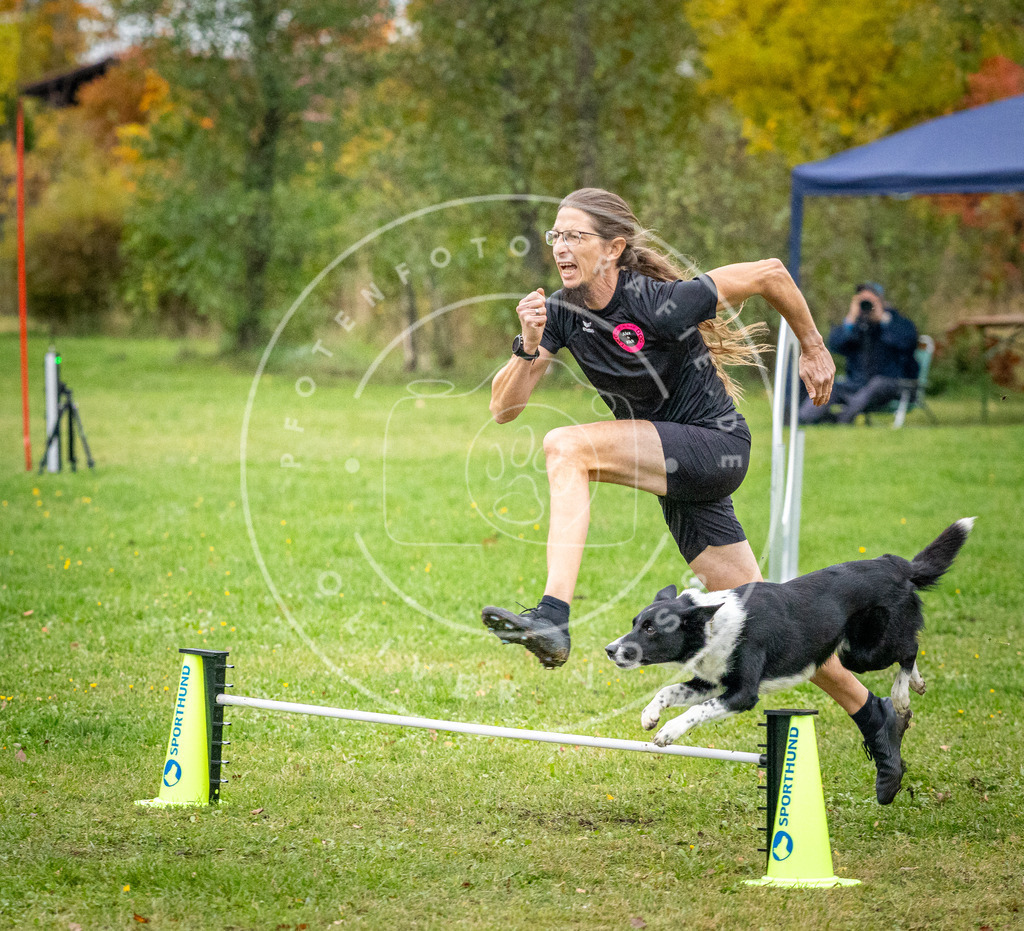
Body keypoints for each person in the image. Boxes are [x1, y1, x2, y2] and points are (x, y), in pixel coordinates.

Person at [480, 188, 910, 804]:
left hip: (717, 447)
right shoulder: (562, 311)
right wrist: (528, 341)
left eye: (575, 235)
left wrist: (815, 348)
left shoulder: (658, 301)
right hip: (680, 472)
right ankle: (876, 718)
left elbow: (770, 273)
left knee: (566, 446)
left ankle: (553, 615)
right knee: (769, 619)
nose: (561, 247)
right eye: (555, 235)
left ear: (614, 249)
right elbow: (503, 407)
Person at [798, 282, 919, 425]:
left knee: (876, 384)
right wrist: (851, 317)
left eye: (871, 300)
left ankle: (842, 419)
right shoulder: (858, 325)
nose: (867, 305)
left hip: (893, 384)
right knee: (833, 387)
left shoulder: (898, 323)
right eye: (862, 300)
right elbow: (835, 345)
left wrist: (882, 320)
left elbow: (908, 343)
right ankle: (803, 418)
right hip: (857, 384)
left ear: (882, 301)